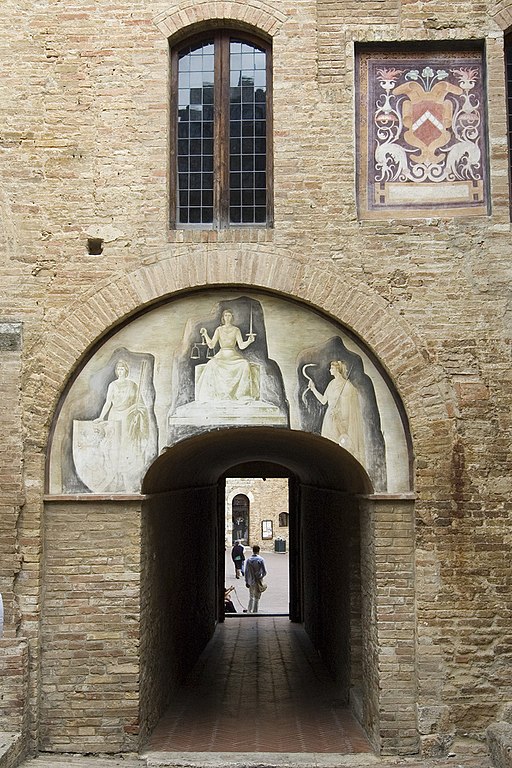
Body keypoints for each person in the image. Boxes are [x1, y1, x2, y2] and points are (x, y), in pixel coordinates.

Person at [307, 359, 365, 464]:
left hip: (342, 421)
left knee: (342, 445)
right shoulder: (331, 384)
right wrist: (313, 389)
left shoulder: (347, 386)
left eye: (332, 368)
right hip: (329, 419)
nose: (329, 370)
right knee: (329, 444)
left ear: (337, 369)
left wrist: (341, 417)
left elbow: (350, 407)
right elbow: (323, 401)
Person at [196, 309, 257, 402]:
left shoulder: (236, 330)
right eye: (226, 315)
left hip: (233, 355)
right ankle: (218, 394)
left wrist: (249, 341)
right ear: (223, 318)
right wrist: (205, 334)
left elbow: (241, 346)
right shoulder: (219, 330)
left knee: (244, 364)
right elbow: (211, 345)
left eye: (229, 315)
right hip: (221, 355)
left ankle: (240, 394)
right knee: (211, 363)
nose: (227, 317)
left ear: (232, 317)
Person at [245, 545, 267, 614]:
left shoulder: (248, 560)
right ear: (259, 550)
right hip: (258, 579)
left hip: (250, 580)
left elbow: (246, 571)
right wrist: (260, 577)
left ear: (253, 550)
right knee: (257, 596)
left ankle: (249, 610)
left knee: (251, 596)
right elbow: (264, 571)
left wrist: (246, 581)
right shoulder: (261, 559)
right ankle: (255, 611)